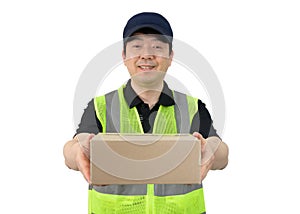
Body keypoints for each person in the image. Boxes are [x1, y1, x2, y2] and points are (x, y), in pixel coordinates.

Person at [63, 12, 229, 214]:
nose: (147, 54)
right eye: (137, 46)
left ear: (170, 56)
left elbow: (222, 156)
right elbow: (71, 152)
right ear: (124, 56)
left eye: (157, 46)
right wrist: (77, 151)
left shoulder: (192, 107)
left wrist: (211, 150)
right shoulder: (101, 106)